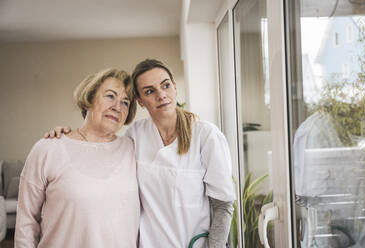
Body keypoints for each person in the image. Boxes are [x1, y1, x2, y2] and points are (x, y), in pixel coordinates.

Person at [46, 59, 236, 248]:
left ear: (174, 87)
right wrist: (69, 137)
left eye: (166, 85)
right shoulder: (136, 135)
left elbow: (223, 205)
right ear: (140, 101)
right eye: (149, 91)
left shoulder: (206, 136)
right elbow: (100, 148)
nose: (161, 95)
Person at [15, 68, 139, 248]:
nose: (117, 107)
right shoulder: (48, 148)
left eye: (125, 102)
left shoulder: (133, 149)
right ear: (89, 98)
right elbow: (26, 221)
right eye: (110, 96)